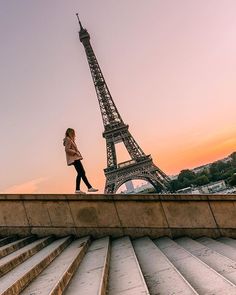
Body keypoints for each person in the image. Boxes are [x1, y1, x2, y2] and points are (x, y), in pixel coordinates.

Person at [63, 128, 98, 194]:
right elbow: (67, 149)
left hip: (75, 158)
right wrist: (75, 152)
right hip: (74, 158)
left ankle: (78, 189)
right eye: (73, 133)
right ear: (70, 132)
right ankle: (89, 187)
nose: (74, 134)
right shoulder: (68, 139)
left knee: (80, 173)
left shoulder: (70, 139)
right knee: (82, 172)